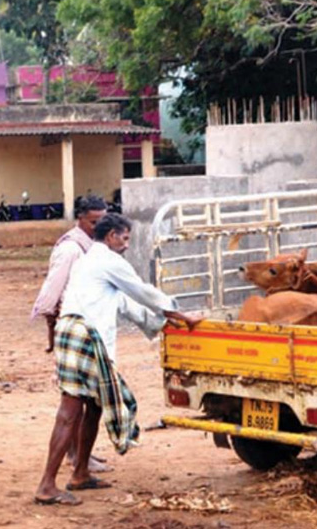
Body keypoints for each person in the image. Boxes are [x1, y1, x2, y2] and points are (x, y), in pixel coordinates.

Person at [34, 213, 203, 507]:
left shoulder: (95, 263)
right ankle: (47, 485)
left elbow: (128, 304)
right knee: (70, 411)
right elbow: (144, 292)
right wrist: (181, 315)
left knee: (95, 406)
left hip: (79, 335)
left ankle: (80, 473)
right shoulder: (107, 261)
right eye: (124, 239)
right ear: (111, 235)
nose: (126, 245)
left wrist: (162, 323)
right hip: (81, 336)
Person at [30, 194, 110, 473]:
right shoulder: (71, 249)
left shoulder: (94, 247)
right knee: (74, 398)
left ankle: (81, 454)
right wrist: (50, 329)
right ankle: (75, 455)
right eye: (93, 222)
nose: (98, 227)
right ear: (80, 219)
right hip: (72, 325)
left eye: (102, 221)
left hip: (88, 326)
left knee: (86, 396)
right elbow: (53, 289)